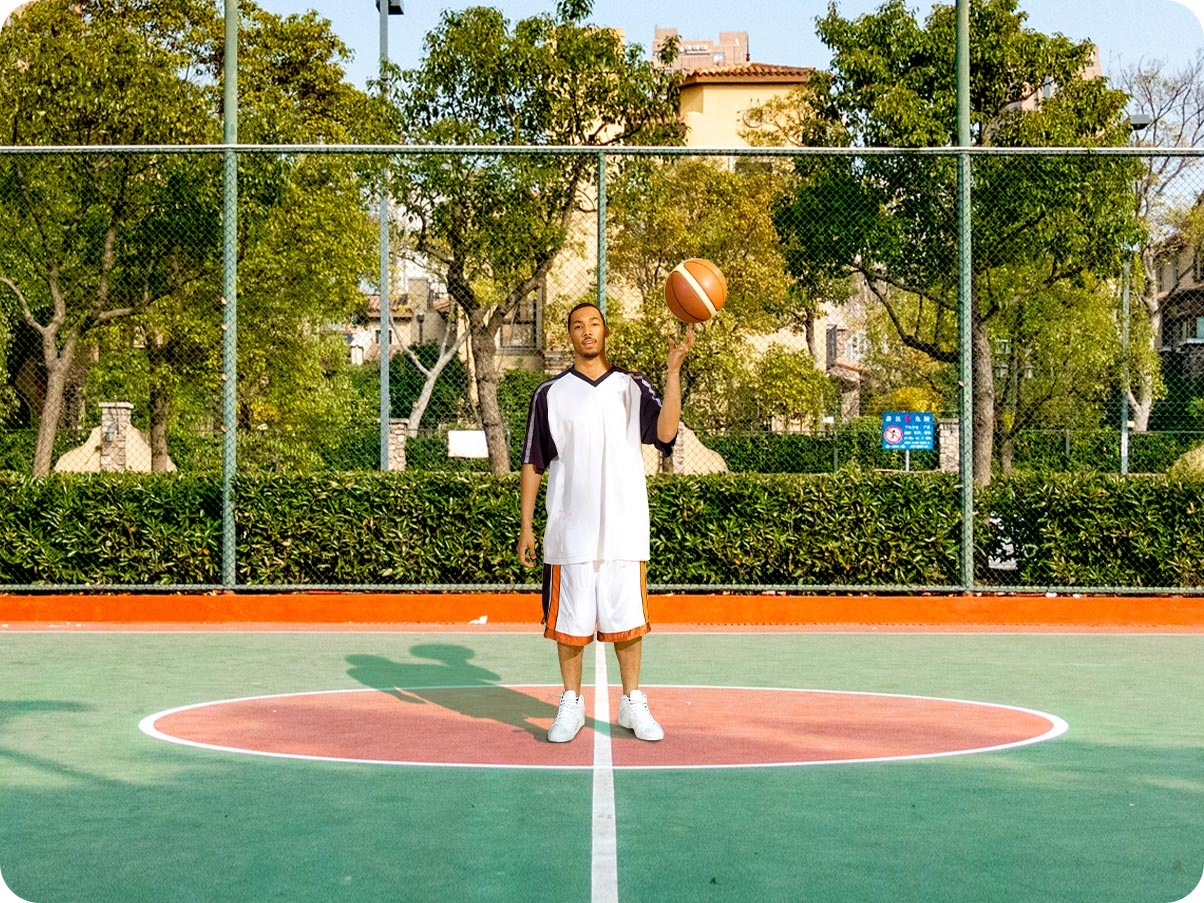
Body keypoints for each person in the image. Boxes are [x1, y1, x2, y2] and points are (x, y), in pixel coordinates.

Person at [517, 301, 693, 743]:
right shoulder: (549, 394)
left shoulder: (633, 386)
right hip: (569, 531)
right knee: (571, 626)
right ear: (570, 336)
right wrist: (526, 526)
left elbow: (666, 433)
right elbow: (533, 462)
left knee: (627, 622)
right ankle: (572, 702)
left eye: (594, 323)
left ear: (605, 331)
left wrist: (673, 371)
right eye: (578, 326)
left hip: (624, 530)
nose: (587, 331)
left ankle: (631, 701)